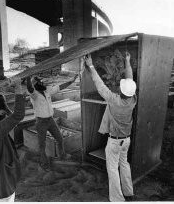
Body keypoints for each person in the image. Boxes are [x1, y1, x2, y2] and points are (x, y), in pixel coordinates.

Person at [84, 52, 137, 202]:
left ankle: (117, 200)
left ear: (120, 90)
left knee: (112, 169)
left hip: (114, 142)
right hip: (126, 141)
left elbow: (100, 85)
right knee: (124, 164)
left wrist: (91, 65)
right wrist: (127, 61)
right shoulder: (132, 100)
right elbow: (130, 79)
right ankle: (128, 193)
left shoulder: (114, 100)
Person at [26, 74, 78, 171]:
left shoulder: (47, 91)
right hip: (41, 122)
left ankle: (62, 155)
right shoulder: (34, 95)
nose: (42, 83)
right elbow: (29, 88)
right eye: (39, 82)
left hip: (50, 120)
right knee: (42, 145)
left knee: (59, 138)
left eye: (41, 81)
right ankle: (44, 164)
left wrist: (71, 81)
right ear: (35, 85)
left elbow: (59, 87)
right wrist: (28, 78)